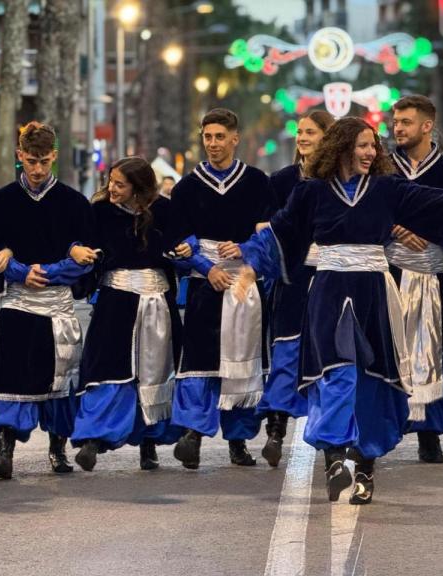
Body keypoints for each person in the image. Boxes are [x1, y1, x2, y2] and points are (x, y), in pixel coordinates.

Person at [235, 117, 443, 504]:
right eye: (362, 145)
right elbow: (280, 230)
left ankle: (366, 464)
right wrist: (251, 266)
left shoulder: (387, 189)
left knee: (374, 379)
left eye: (373, 145)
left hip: (374, 288)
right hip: (329, 289)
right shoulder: (312, 192)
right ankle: (335, 455)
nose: (371, 152)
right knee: (335, 372)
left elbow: (439, 202)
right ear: (340, 147)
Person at [0, 121, 96, 479]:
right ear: (19, 156)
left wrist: (49, 269)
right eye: (30, 161)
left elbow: (91, 257)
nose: (36, 169)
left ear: (55, 158)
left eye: (44, 161)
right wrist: (17, 272)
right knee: (12, 373)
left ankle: (58, 447)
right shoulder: (0, 202)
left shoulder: (74, 202)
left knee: (60, 376)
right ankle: (5, 447)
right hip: (18, 302)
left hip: (59, 303)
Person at [166, 108, 274, 470]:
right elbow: (177, 238)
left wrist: (245, 250)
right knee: (199, 361)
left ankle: (238, 441)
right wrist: (204, 266)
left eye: (219, 137)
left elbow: (270, 232)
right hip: (204, 286)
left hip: (243, 284)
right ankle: (192, 435)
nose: (212, 144)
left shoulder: (258, 182)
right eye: (207, 136)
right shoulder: (186, 187)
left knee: (242, 364)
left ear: (234, 138)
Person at [71, 157, 183, 471]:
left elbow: (178, 250)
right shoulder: (99, 212)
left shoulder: (163, 210)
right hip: (114, 302)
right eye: (111, 181)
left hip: (156, 302)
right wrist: (79, 255)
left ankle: (149, 442)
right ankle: (93, 438)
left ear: (138, 187)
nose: (112, 188)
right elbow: (85, 250)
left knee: (154, 372)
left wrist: (183, 254)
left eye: (120, 184)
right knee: (105, 368)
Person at [386, 95, 443, 464]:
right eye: (396, 122)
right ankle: (386, 428)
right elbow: (362, 210)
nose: (398, 128)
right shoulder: (382, 169)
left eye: (406, 122)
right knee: (389, 349)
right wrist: (393, 229)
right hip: (390, 272)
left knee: (435, 349)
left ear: (426, 125)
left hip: (435, 274)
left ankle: (430, 433)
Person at [258, 109, 334, 467]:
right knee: (287, 351)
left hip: (332, 277)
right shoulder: (280, 180)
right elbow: (269, 226)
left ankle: (333, 435)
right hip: (292, 277)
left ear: (328, 138)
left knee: (329, 354)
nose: (302, 137)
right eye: (300, 131)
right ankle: (276, 429)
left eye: (310, 132)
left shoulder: (340, 180)